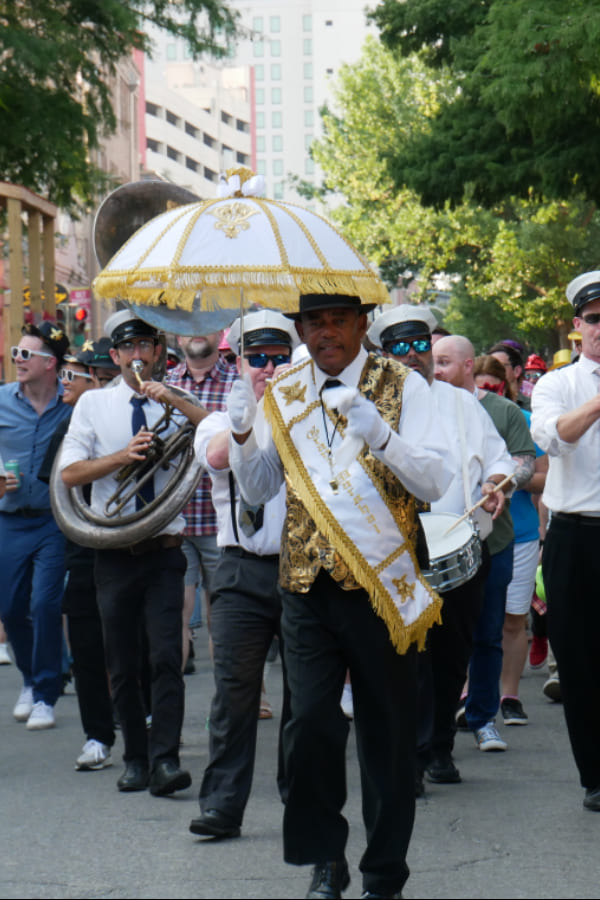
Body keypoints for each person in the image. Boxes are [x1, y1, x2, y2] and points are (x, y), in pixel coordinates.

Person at [228, 293, 453, 900]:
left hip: (382, 587)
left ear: (361, 324)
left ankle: (384, 876)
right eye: (313, 322)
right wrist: (244, 431)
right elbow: (257, 490)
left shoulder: (405, 387)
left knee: (387, 735)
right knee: (309, 727)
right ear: (300, 328)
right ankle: (325, 858)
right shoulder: (285, 391)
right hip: (306, 586)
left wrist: (379, 432)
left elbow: (436, 478)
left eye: (337, 320)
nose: (326, 332)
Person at [367, 306, 514, 790]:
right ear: (384, 355)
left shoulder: (462, 403)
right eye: (400, 348)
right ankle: (408, 752)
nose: (413, 356)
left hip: (461, 545)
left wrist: (496, 484)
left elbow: (498, 460)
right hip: (396, 551)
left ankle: (439, 748)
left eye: (420, 346)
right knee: (407, 654)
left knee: (452, 654)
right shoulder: (372, 406)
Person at [59, 310, 195, 796]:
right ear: (114, 356)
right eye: (128, 348)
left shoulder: (178, 401)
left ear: (157, 352)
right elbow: (70, 474)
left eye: (146, 346)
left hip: (163, 549)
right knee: (121, 660)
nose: (137, 355)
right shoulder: (93, 406)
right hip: (113, 550)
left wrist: (174, 402)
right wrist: (123, 457)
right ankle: (135, 757)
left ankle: (165, 760)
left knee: (164, 657)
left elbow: (213, 441)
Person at [189, 309, 296, 840]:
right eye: (259, 359)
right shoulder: (219, 415)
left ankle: (301, 799)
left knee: (303, 694)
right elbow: (213, 456)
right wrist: (244, 421)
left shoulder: (305, 411)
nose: (268, 368)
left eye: (279, 358)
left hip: (302, 569)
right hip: (240, 569)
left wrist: (283, 408)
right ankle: (223, 805)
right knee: (234, 694)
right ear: (240, 361)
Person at [433, 336, 535, 752]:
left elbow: (525, 463)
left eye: (444, 361)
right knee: (438, 639)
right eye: (433, 361)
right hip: (433, 545)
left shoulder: (502, 410)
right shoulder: (422, 409)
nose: (435, 369)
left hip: (492, 542)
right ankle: (435, 726)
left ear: (468, 365)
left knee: (488, 633)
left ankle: (482, 718)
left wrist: (499, 482)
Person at [531, 269, 600, 812]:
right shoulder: (558, 384)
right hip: (576, 537)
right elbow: (554, 440)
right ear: (579, 327)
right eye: (596, 320)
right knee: (578, 662)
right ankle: (595, 776)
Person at [38, 340, 120, 771]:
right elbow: (55, 482)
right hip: (84, 547)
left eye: (79, 377)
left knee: (138, 642)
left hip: (130, 545)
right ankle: (96, 736)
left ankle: (145, 720)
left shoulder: (130, 412)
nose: (66, 383)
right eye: (65, 375)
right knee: (87, 645)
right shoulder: (70, 424)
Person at [0, 320, 71, 730]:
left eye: (26, 355)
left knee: (45, 604)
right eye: (16, 353)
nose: (18, 361)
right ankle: (28, 679)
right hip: (9, 520)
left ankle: (45, 693)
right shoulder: (2, 401)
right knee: (10, 607)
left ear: (51, 364)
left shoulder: (72, 405)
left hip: (52, 522)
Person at [472, 355, 547, 726]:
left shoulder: (521, 419)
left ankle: (509, 695)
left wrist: (503, 476)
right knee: (476, 619)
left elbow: (543, 479)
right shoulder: (456, 415)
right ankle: (468, 694)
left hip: (519, 532)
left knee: (512, 621)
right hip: (473, 532)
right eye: (480, 385)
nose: (486, 393)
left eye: (492, 387)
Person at [166, 331, 238, 671]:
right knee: (174, 613)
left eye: (204, 323)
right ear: (177, 338)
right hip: (174, 518)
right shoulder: (164, 382)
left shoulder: (238, 381)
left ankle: (246, 701)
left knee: (227, 615)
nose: (195, 331)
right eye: (186, 325)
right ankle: (171, 712)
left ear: (219, 331)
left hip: (222, 517)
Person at [489, 341, 530, 410]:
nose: (493, 370)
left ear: (517, 371)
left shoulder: (531, 406)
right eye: (490, 366)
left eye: (499, 366)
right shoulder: (481, 404)